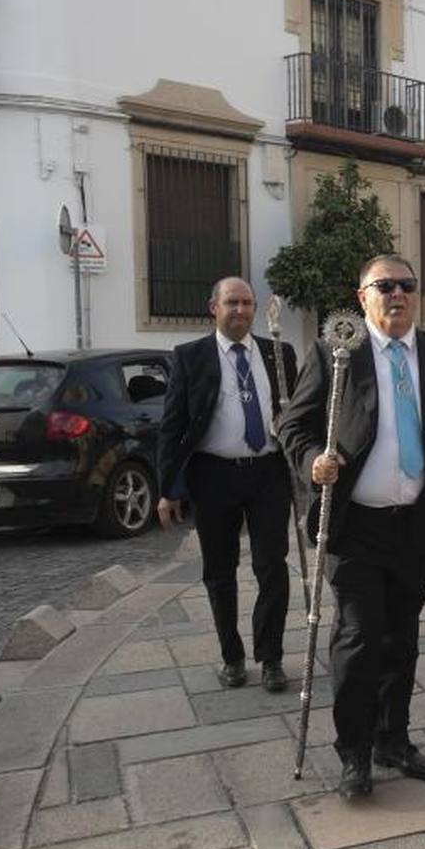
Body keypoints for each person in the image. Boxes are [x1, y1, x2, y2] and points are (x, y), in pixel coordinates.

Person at [278, 255, 425, 800]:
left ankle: (392, 739)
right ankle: (354, 754)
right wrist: (311, 462)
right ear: (363, 295)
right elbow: (294, 425)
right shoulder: (336, 354)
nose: (398, 295)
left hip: (417, 523)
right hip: (354, 526)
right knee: (358, 637)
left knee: (402, 638)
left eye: (407, 286)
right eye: (385, 286)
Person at [156, 277, 296, 693]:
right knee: (220, 571)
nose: (241, 311)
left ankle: (271, 658)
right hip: (213, 475)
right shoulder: (190, 357)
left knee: (272, 567)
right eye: (232, 303)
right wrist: (167, 488)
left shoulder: (279, 353)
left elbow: (297, 411)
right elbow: (172, 426)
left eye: (247, 303)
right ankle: (232, 657)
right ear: (212, 308)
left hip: (268, 472)